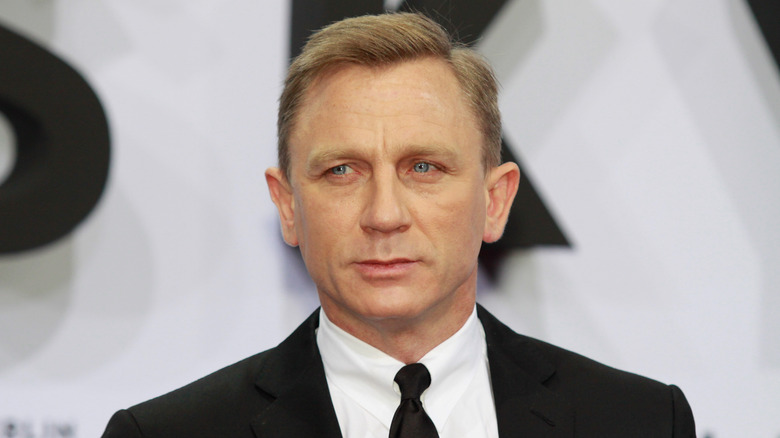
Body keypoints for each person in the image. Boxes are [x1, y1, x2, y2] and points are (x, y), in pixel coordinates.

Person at [102, 12, 695, 437]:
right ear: (287, 206)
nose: (383, 215)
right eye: (341, 170)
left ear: (495, 200)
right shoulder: (164, 433)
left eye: (423, 167)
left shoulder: (639, 420)